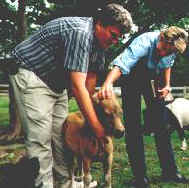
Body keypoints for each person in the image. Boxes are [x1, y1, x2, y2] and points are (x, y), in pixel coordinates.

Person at [8, 3, 133, 188]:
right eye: (113, 35)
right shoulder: (81, 33)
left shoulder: (100, 46)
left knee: (61, 135)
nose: (115, 41)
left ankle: (65, 183)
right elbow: (77, 86)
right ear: (100, 23)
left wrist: (93, 116)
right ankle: (44, 184)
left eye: (119, 38)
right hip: (30, 72)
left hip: (56, 83)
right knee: (40, 138)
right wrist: (97, 127)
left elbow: (89, 86)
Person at [97, 26, 189, 187]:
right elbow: (121, 65)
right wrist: (107, 83)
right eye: (163, 50)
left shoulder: (171, 49)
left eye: (168, 53)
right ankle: (140, 177)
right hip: (131, 79)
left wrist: (167, 85)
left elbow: (167, 65)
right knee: (133, 127)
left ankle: (170, 172)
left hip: (152, 81)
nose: (163, 54)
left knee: (162, 125)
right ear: (161, 37)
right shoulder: (144, 42)